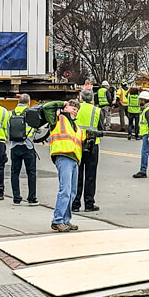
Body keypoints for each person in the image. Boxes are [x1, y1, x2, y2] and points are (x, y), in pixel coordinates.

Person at [50, 99, 83, 232]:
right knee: (65, 190)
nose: (75, 110)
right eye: (72, 107)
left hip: (74, 159)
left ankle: (65, 220)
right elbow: (47, 108)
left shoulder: (76, 127)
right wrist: (60, 104)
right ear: (65, 108)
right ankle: (57, 220)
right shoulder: (58, 119)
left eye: (76, 109)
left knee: (72, 192)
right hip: (63, 157)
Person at [72, 90, 102, 212]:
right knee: (90, 175)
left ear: (81, 98)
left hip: (77, 144)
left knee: (77, 175)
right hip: (92, 145)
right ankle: (89, 203)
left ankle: (75, 204)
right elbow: (100, 128)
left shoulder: (75, 109)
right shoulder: (96, 110)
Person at [8, 94, 38, 205]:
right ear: (28, 102)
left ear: (18, 102)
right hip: (28, 145)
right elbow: (35, 129)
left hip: (14, 146)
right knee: (31, 172)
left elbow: (7, 129)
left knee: (15, 173)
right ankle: (32, 198)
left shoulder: (10, 113)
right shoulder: (30, 113)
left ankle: (16, 197)